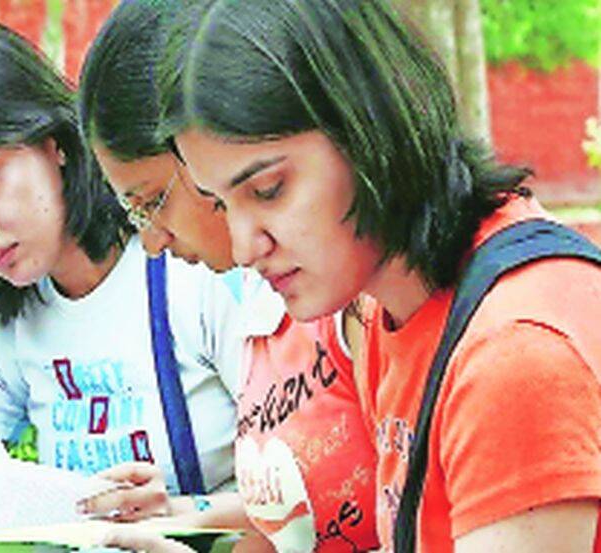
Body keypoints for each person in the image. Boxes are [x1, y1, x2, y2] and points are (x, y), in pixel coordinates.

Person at [149, 0, 601, 551]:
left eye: (268, 191)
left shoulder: (511, 353)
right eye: (221, 205)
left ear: (366, 126)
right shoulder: (388, 307)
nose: (245, 247)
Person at [0, 17, 245, 521]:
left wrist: (182, 512)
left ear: (51, 142)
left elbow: (310, 486)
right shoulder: (9, 327)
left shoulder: (191, 265)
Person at [80, 2, 379, 551]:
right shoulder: (262, 298)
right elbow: (312, 507)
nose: (153, 242)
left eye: (152, 203)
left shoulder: (355, 294)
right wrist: (185, 514)